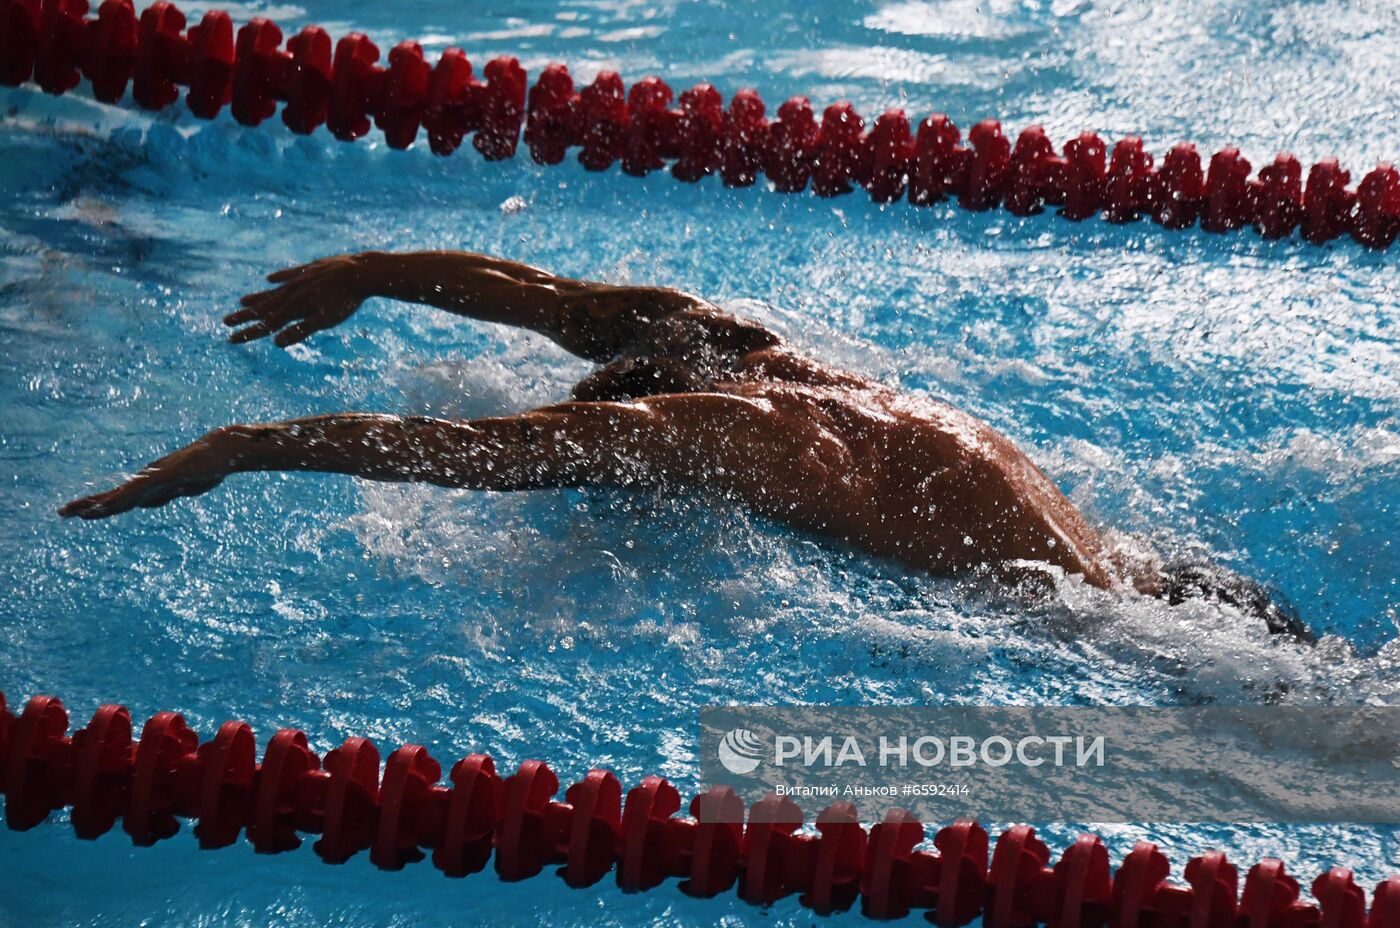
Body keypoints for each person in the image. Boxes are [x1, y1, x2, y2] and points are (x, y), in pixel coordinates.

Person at [59, 250, 1311, 640]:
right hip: (1167, 582)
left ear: (637, 415)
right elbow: (548, 299)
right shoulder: (751, 351)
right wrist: (372, 272)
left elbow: (473, 453)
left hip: (1110, 636)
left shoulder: (720, 431)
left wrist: (249, 446)